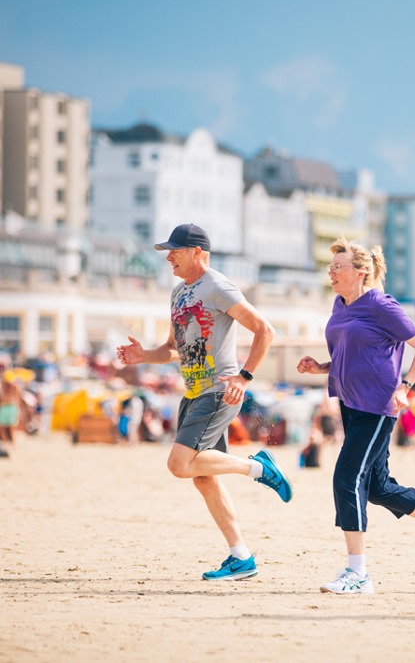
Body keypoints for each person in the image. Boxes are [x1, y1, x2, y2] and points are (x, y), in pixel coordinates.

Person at [296, 236, 415, 595]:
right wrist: (321, 367)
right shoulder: (340, 304)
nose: (331, 272)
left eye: (338, 267)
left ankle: (357, 573)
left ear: (360, 272)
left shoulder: (381, 304)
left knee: (347, 477)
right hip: (349, 402)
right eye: (330, 267)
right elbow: (353, 353)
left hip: (379, 405)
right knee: (377, 486)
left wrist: (404, 386)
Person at [116, 223, 291, 582]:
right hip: (193, 393)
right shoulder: (179, 293)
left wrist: (244, 378)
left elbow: (265, 330)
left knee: (180, 464)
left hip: (219, 391)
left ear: (197, 253)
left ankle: (258, 468)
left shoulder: (218, 286)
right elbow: (172, 349)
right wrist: (142, 356)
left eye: (175, 251)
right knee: (203, 477)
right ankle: (241, 558)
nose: (168, 258)